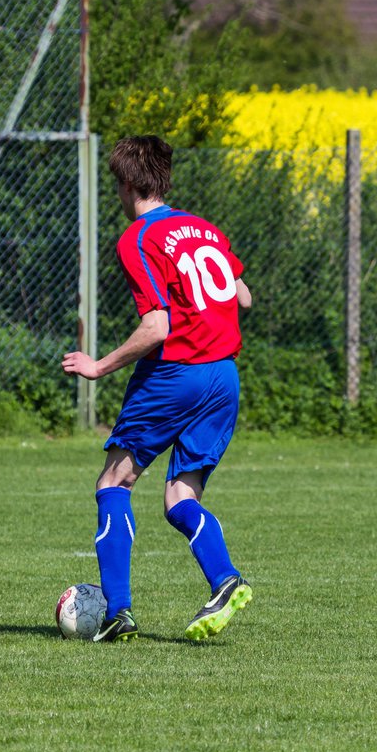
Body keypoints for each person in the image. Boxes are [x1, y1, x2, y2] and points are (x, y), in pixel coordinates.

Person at [62, 135, 253, 642]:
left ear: (126, 185)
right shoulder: (203, 228)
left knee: (114, 484)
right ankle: (225, 579)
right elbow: (243, 296)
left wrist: (99, 366)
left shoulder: (139, 237)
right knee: (178, 496)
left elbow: (157, 327)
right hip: (224, 375)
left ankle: (119, 612)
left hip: (177, 374)